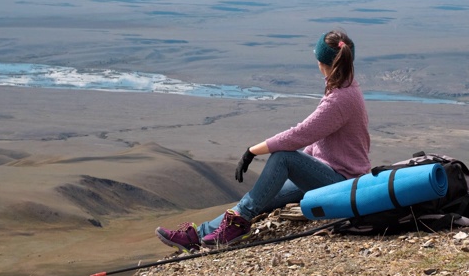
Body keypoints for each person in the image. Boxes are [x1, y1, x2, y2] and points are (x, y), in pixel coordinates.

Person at [155, 29, 371, 252]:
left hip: (343, 184)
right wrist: (304, 167)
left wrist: (252, 151)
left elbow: (299, 134)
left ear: (321, 61)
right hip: (328, 176)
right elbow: (317, 139)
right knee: (259, 196)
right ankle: (198, 235)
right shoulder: (344, 86)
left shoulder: (340, 99)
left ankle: (239, 225)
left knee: (283, 158)